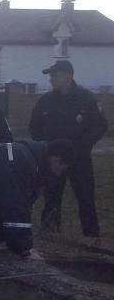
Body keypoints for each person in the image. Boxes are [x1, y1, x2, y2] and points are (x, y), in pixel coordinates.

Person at [29, 60, 108, 237]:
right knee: (51, 199)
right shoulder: (45, 101)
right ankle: (51, 236)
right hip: (53, 160)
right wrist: (47, 149)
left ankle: (91, 237)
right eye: (50, 76)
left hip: (79, 158)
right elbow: (34, 127)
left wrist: (82, 145)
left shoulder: (86, 99)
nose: (51, 79)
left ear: (68, 76)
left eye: (54, 75)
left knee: (86, 198)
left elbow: (100, 126)